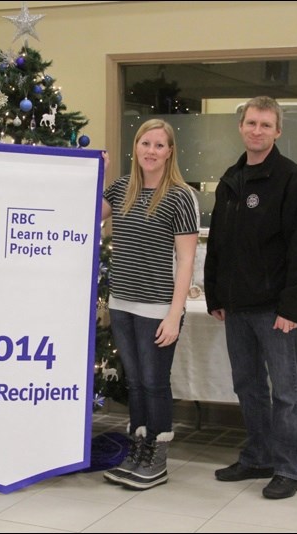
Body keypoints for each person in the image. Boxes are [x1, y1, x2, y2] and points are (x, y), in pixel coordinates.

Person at [203, 96, 297, 499]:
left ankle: (288, 469)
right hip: (234, 307)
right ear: (241, 127)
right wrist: (215, 292)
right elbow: (218, 243)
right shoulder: (232, 179)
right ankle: (258, 457)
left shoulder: (292, 180)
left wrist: (292, 308)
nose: (257, 130)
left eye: (265, 125)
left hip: (274, 310)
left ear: (277, 131)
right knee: (247, 386)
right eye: (251, 123)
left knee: (286, 393)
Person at [100, 119, 199, 490]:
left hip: (158, 307)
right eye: (145, 143)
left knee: (156, 383)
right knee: (136, 382)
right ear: (136, 147)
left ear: (170, 151)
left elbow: (187, 259)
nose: (151, 151)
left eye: (160, 145)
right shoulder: (122, 187)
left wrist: (175, 314)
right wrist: (100, 172)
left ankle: (157, 456)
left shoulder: (180, 195)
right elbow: (88, 214)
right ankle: (138, 448)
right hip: (123, 302)